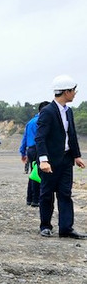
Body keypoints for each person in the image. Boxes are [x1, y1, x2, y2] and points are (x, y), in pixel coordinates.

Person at [35, 75, 87, 239]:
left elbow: (71, 135)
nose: (75, 94)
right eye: (73, 91)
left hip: (65, 160)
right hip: (49, 161)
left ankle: (66, 228)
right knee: (47, 194)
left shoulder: (69, 111)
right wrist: (43, 160)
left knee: (65, 193)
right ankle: (45, 226)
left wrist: (76, 156)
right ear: (66, 92)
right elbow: (40, 137)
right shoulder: (47, 112)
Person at [19, 102, 49, 207]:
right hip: (38, 149)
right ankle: (36, 200)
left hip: (30, 150)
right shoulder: (41, 121)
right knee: (38, 174)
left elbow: (24, 138)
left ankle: (29, 199)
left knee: (33, 173)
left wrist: (22, 152)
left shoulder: (30, 122)